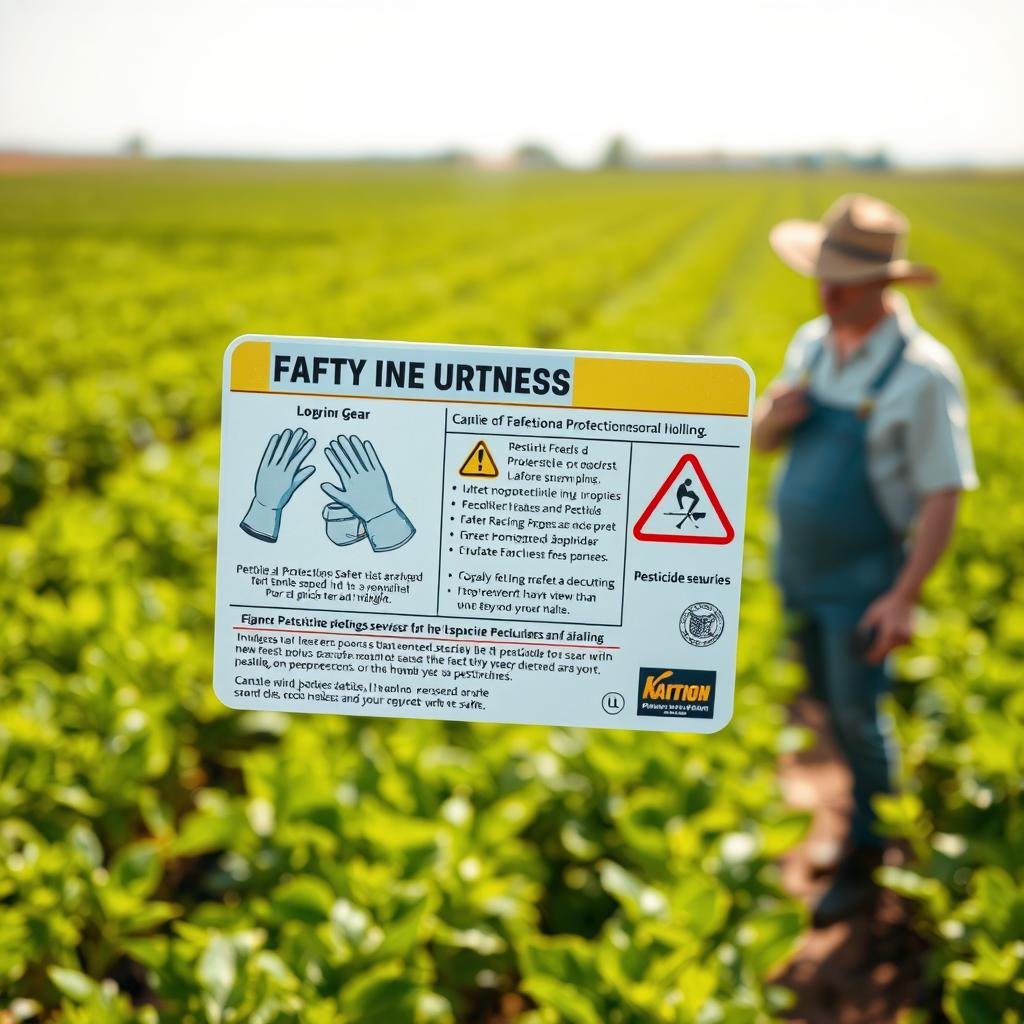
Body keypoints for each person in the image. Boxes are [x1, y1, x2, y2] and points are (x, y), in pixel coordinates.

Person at [752, 194, 978, 928]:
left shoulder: (922, 373)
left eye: (844, 279)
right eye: (822, 275)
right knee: (824, 704)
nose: (827, 290)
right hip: (800, 572)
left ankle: (869, 854)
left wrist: (904, 595)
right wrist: (769, 421)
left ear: (886, 284)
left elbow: (944, 493)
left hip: (862, 584)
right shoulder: (811, 343)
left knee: (860, 715)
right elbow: (763, 442)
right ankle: (854, 827)